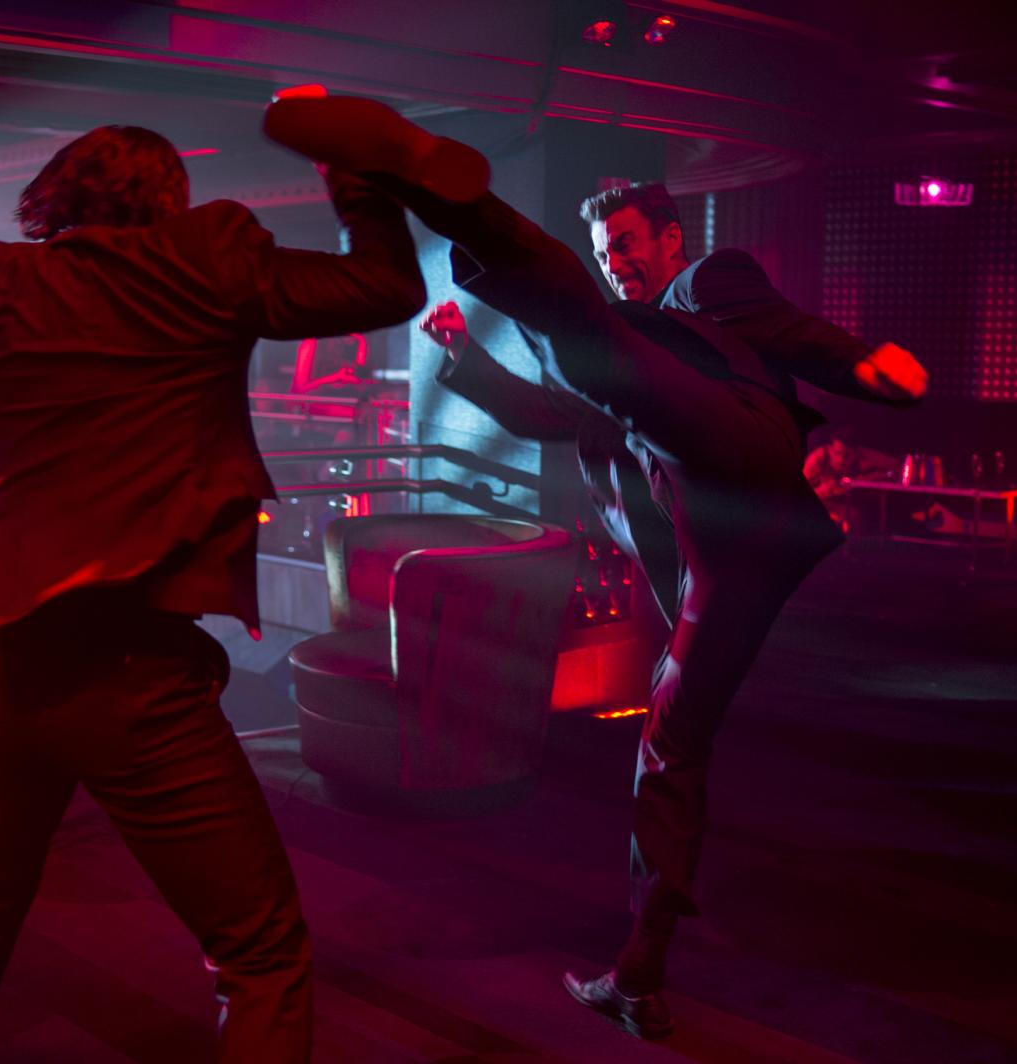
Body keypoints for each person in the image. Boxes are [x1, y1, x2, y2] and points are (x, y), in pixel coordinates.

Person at [263, 95, 926, 1040]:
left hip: (733, 453)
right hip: (719, 565)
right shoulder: (622, 355)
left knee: (591, 342)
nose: (618, 262)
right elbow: (548, 416)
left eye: (627, 245)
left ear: (670, 239)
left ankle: (435, 187)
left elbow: (789, 330)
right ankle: (640, 972)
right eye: (607, 251)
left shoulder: (706, 286)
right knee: (669, 749)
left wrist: (868, 369)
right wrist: (460, 356)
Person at [0, 124, 425, 1063]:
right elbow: (387, 287)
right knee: (259, 951)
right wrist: (354, 176)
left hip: (3, 655)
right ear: (169, 201)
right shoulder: (207, 262)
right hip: (134, 672)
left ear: (52, 197)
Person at [803, 426, 899, 530]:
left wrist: (866, 478)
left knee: (856, 516)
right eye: (837, 453)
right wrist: (823, 491)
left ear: (856, 452)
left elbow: (896, 465)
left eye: (847, 455)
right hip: (816, 503)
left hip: (844, 503)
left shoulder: (862, 454)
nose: (841, 460)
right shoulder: (818, 458)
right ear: (831, 448)